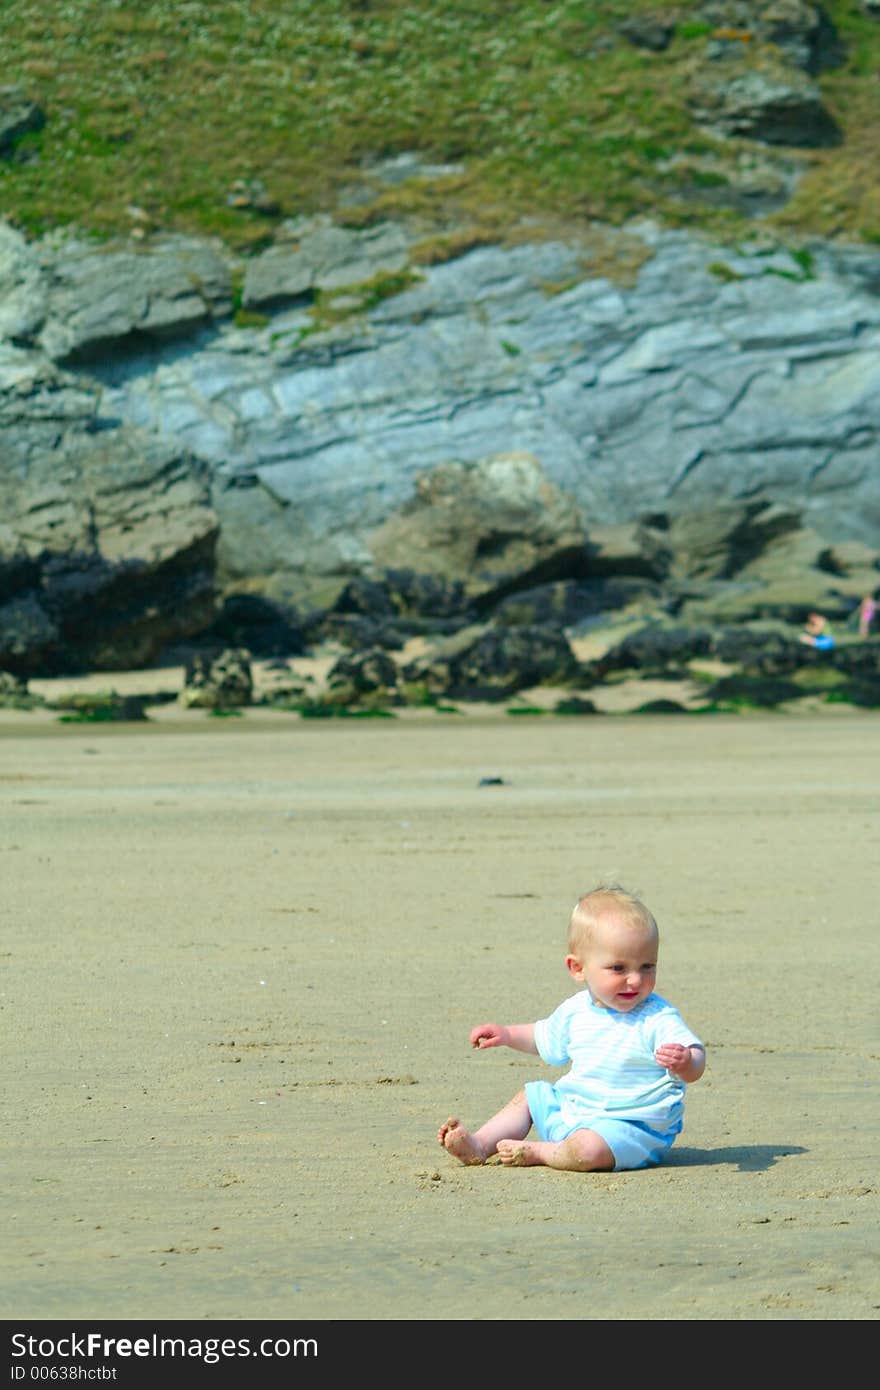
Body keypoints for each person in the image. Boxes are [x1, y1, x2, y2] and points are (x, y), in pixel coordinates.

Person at [437, 883, 705, 1173]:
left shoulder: (657, 1017)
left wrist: (686, 1062)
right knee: (531, 1096)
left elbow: (696, 1061)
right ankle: (480, 1144)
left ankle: (541, 1152)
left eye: (647, 966)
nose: (635, 980)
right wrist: (507, 1034)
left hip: (633, 1131)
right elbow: (542, 1038)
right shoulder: (576, 1011)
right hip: (575, 1113)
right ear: (578, 968)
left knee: (588, 1149)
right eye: (618, 968)